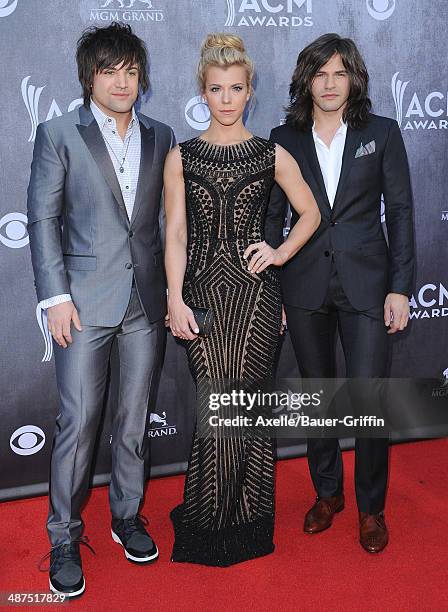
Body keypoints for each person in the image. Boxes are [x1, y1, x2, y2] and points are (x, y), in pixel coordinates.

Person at [27, 22, 175, 597]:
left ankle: (126, 515)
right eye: (109, 70)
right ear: (89, 76)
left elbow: (166, 223)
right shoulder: (59, 132)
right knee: (78, 423)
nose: (122, 81)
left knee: (133, 421)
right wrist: (56, 298)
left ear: (142, 78)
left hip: (145, 302)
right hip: (82, 305)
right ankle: (63, 535)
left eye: (131, 71)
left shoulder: (161, 135)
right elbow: (42, 218)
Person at [163, 33, 320, 567]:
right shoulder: (180, 156)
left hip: (254, 299)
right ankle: (208, 522)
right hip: (201, 296)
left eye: (235, 88)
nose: (226, 98)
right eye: (215, 89)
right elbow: (177, 234)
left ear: (250, 91)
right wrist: (174, 299)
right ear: (202, 93)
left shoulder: (270, 154)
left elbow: (311, 213)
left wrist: (277, 253)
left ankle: (249, 520)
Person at [268, 33, 414, 553]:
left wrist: (400, 287)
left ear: (353, 78)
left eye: (339, 73)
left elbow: (399, 213)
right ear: (306, 80)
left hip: (368, 286)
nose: (329, 84)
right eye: (319, 73)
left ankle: (372, 508)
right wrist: (273, 292)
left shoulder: (383, 132)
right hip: (303, 284)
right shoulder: (283, 137)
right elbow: (273, 220)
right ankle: (327, 494)